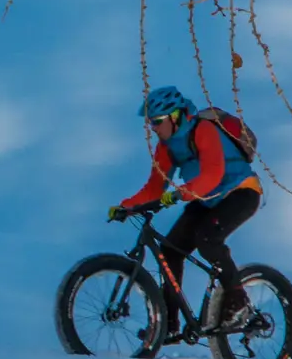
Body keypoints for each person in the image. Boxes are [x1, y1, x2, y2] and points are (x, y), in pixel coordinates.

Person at [107, 85, 261, 330]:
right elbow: (154, 188)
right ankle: (168, 324)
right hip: (206, 199)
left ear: (175, 116)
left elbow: (213, 174)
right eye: (150, 123)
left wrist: (182, 193)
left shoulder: (204, 130)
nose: (153, 128)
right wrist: (126, 207)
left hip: (240, 192)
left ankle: (237, 299)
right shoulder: (165, 147)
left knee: (207, 239)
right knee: (170, 251)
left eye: (157, 122)